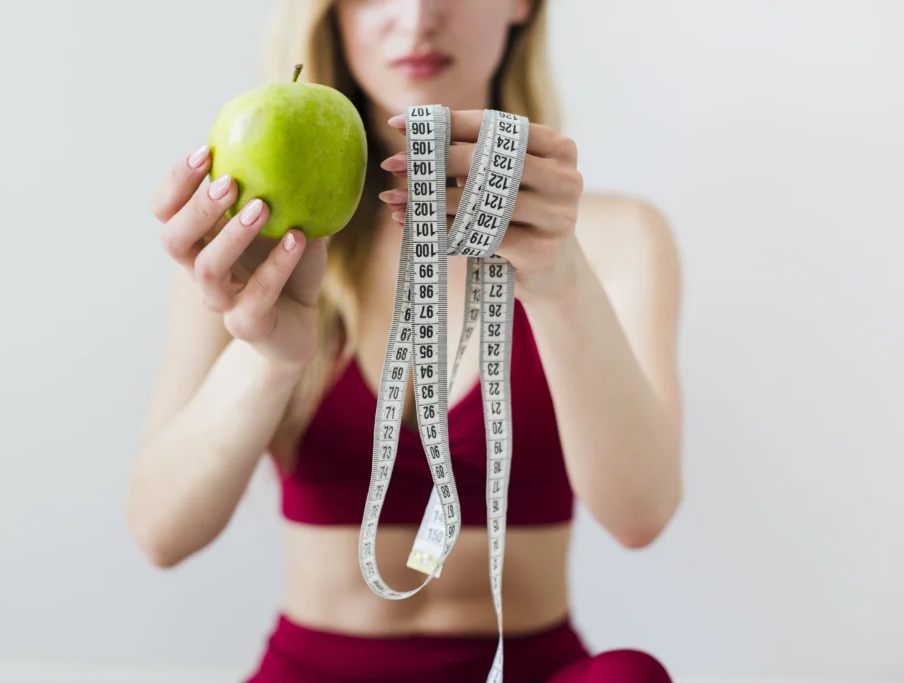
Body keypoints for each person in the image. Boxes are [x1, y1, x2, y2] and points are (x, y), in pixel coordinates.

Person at [128, 0, 684, 681]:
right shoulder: (251, 242)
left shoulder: (615, 239)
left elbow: (642, 515)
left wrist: (561, 282)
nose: (417, 17)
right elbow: (160, 531)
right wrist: (269, 356)